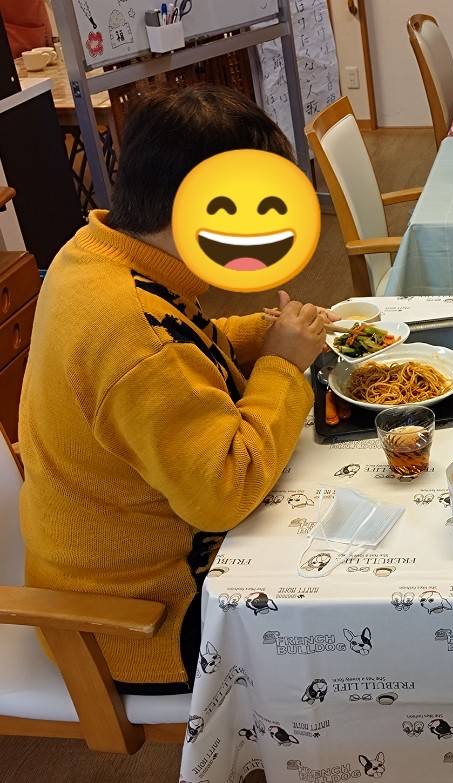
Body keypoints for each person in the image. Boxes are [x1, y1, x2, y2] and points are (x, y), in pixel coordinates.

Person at [19, 85, 328, 694]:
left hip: (100, 567)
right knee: (361, 607)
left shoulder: (95, 252)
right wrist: (281, 365)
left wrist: (264, 334)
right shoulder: (131, 333)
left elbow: (183, 348)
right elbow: (225, 490)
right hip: (143, 619)